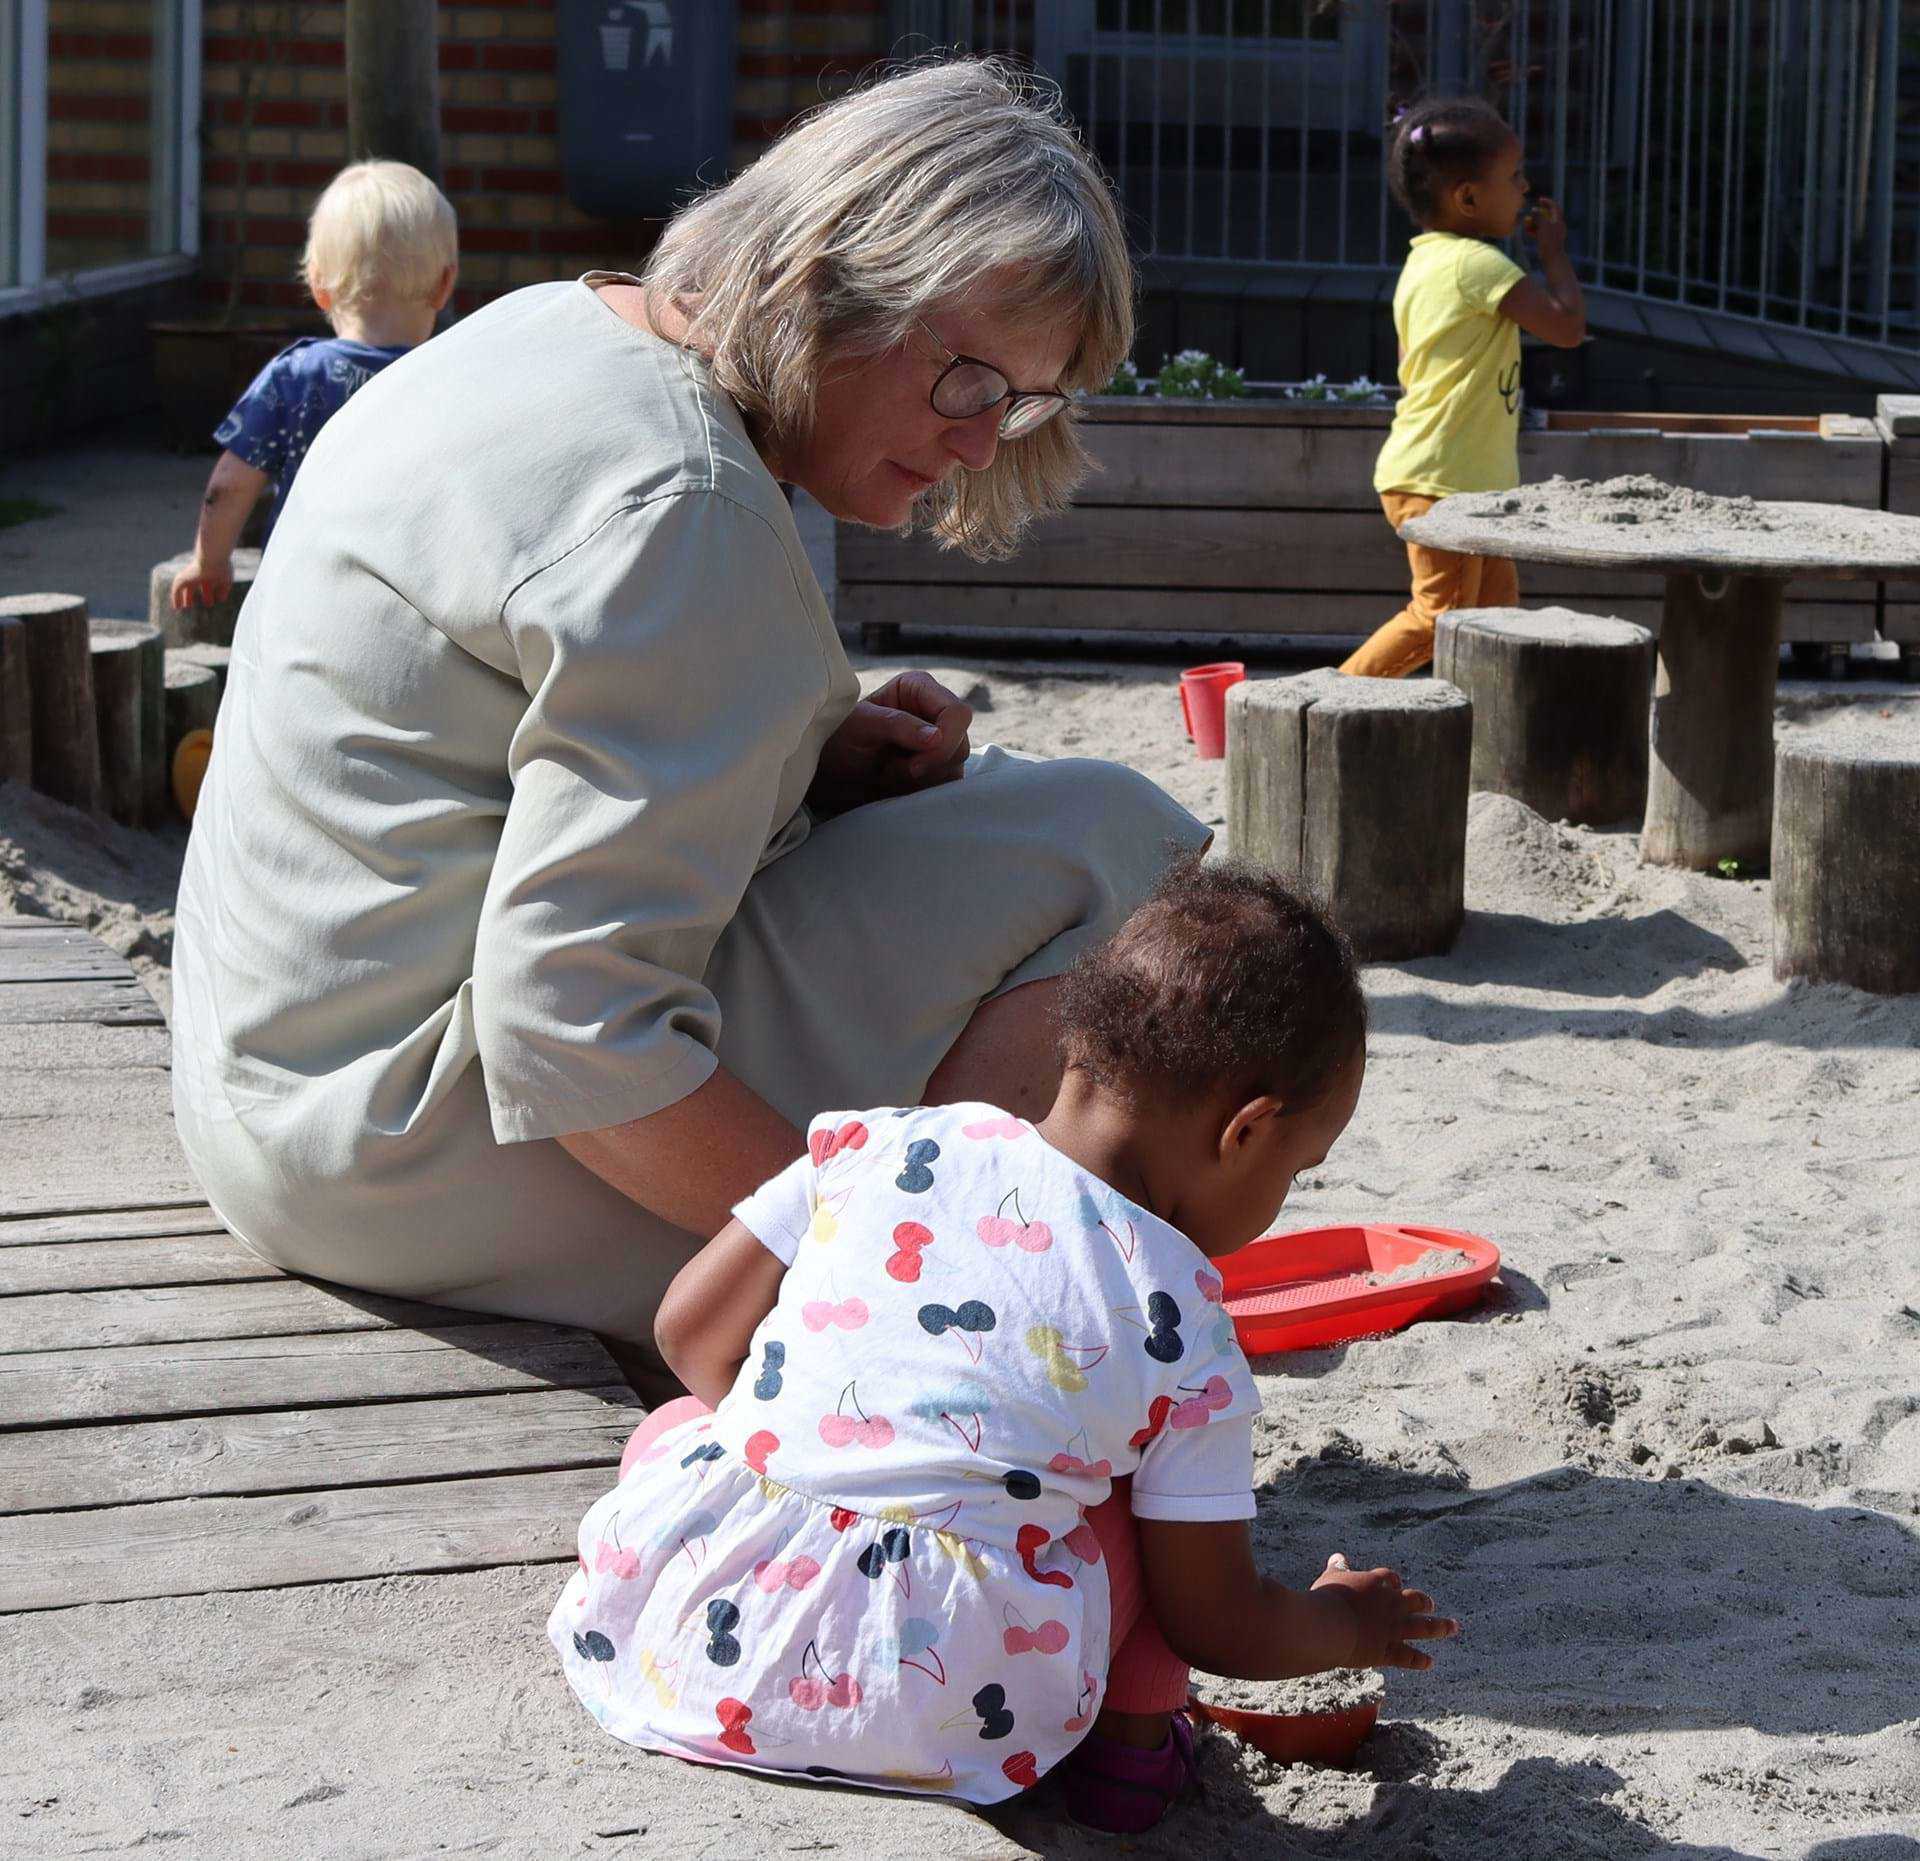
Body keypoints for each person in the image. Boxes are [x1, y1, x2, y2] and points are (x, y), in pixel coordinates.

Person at [168, 60, 1207, 1386]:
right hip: (408, 1156)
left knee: (1050, 822)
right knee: (1122, 857)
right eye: (969, 384)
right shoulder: (688, 503)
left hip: (274, 1088)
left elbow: (505, 711)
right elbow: (573, 1033)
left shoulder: (560, 326)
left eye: (1026, 403)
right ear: (836, 281)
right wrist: (871, 1268)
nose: (984, 441)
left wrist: (797, 745)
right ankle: (941, 1305)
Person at [551, 859, 1459, 1830]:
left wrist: (813, 1454)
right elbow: (1213, 1620)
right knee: (1143, 1521)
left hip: (694, 1642)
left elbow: (688, 1332)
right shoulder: (1181, 1317)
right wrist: (1340, 1623)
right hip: (942, 1705)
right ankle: (1130, 1766)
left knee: (682, 1429)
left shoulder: (880, 1145)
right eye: (1300, 1167)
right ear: (1245, 1130)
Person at [1341, 96, 1587, 679]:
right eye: (1514, 176)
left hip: (1460, 482)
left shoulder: (1421, 267)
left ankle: (1490, 734)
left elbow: (1412, 365)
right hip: (1442, 483)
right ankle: (1327, 696)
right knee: (1438, 617)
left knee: (1498, 620)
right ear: (1469, 199)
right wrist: (1553, 255)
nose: (1526, 187)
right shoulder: (1479, 268)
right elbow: (1568, 328)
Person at [170, 160, 459, 613]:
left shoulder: (295, 376)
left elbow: (229, 484)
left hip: (303, 592)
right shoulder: (450, 378)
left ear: (317, 285)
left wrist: (210, 562)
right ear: (446, 284)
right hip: (417, 599)